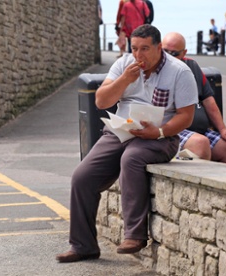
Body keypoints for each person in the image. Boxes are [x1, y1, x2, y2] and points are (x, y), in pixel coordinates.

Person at [55, 24, 198, 263]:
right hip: (120, 132)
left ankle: (135, 235)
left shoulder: (179, 72)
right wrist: (124, 80)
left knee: (131, 158)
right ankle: (83, 246)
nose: (138, 55)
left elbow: (186, 115)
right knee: (82, 177)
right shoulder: (124, 64)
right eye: (134, 48)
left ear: (159, 47)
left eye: (145, 49)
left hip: (160, 137)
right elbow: (101, 101)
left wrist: (159, 131)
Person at [162, 32, 226, 164]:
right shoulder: (156, 69)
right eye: (165, 51)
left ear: (184, 53)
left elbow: (209, 101)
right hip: (173, 131)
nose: (169, 57)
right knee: (200, 144)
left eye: (174, 53)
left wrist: (223, 129)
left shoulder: (192, 67)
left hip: (199, 130)